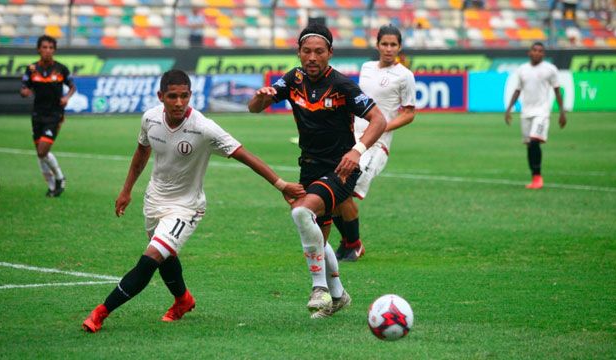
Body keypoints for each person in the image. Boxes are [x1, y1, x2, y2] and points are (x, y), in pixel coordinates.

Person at [82, 70, 305, 333]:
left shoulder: (203, 127)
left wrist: (280, 184)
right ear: (160, 97)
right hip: (154, 200)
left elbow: (244, 155)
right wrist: (126, 190)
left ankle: (101, 312)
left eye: (184, 96)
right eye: (172, 96)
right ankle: (183, 301)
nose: (179, 102)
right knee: (164, 257)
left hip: (186, 207)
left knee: (151, 257)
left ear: (191, 95)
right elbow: (142, 152)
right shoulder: (150, 119)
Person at [248, 23, 387, 318]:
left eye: (319, 52)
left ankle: (319, 289)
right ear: (298, 52)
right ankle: (338, 296)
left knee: (301, 213)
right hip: (309, 169)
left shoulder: (342, 85)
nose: (312, 57)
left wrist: (356, 151)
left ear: (330, 53)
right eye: (306, 51)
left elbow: (378, 119)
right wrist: (262, 97)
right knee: (318, 242)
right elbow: (254, 108)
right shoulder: (293, 79)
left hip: (342, 170)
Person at [332, 25, 416, 262]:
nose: (389, 49)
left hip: (377, 145)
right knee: (335, 191)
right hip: (353, 140)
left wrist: (381, 127)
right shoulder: (366, 68)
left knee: (343, 193)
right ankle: (348, 242)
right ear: (377, 45)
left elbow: (409, 113)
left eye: (394, 45)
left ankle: (353, 244)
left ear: (399, 47)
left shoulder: (404, 75)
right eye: (385, 44)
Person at [505, 42, 567, 190]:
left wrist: (562, 112)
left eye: (540, 51)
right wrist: (508, 109)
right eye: (535, 50)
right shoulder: (522, 70)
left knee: (534, 142)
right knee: (529, 145)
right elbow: (518, 90)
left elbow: (557, 90)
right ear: (529, 52)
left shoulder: (550, 70)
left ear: (543, 54)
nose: (537, 53)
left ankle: (538, 177)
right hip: (526, 113)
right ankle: (534, 177)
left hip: (542, 112)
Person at [20, 35, 75, 197]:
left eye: (51, 48)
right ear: (39, 49)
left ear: (54, 50)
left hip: (55, 114)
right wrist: (25, 92)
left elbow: (72, 87)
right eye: (45, 47)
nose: (48, 51)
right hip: (37, 115)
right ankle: (52, 186)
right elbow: (24, 87)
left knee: (43, 150)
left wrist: (66, 97)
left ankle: (59, 177)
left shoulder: (61, 69)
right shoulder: (31, 69)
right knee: (40, 153)